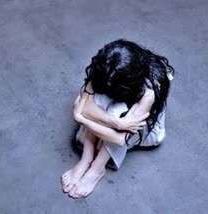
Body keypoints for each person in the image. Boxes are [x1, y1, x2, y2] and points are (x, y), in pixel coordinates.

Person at [61, 39, 175, 198]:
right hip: (118, 124)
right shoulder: (108, 67)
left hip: (145, 132)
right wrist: (118, 122)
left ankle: (96, 169)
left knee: (116, 110)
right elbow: (86, 106)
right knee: (101, 100)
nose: (106, 81)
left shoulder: (149, 90)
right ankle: (85, 160)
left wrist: (82, 119)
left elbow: (120, 139)